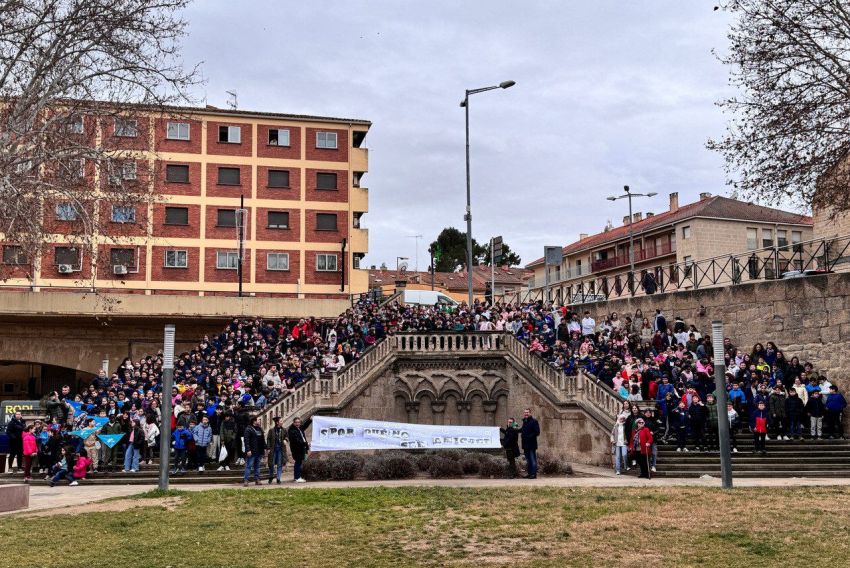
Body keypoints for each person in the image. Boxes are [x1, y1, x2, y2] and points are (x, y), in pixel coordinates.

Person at [243, 415, 267, 486]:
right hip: (252, 451)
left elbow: (263, 440)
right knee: (248, 466)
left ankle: (257, 479)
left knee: (257, 466)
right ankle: (246, 480)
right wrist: (248, 450)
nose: (259, 421)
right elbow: (246, 440)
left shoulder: (260, 429)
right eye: (258, 420)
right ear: (254, 421)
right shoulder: (248, 429)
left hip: (259, 450)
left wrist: (265, 447)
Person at [266, 416, 288, 484]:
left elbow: (287, 437)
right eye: (281, 421)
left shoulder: (284, 430)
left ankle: (278, 478)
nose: (282, 422)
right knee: (271, 464)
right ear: (277, 422)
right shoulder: (271, 430)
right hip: (273, 449)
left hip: (281, 450)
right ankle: (271, 476)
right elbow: (268, 439)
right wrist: (268, 448)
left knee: (279, 464)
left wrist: (285, 440)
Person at [287, 416, 309, 483]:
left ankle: (298, 477)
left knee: (299, 462)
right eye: (296, 422)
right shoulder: (292, 430)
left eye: (299, 422)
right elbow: (297, 441)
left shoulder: (299, 428)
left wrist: (310, 420)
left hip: (301, 448)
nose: (298, 423)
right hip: (297, 449)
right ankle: (297, 477)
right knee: (298, 463)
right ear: (293, 423)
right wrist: (305, 443)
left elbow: (305, 425)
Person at [520, 408, 540, 479]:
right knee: (528, 460)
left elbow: (537, 432)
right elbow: (522, 430)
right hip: (525, 444)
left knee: (532, 459)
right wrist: (514, 429)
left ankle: (533, 474)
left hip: (531, 444)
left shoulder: (534, 421)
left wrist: (528, 437)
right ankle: (529, 473)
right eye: (525, 412)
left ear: (530, 413)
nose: (526, 413)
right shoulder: (525, 422)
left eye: (527, 412)